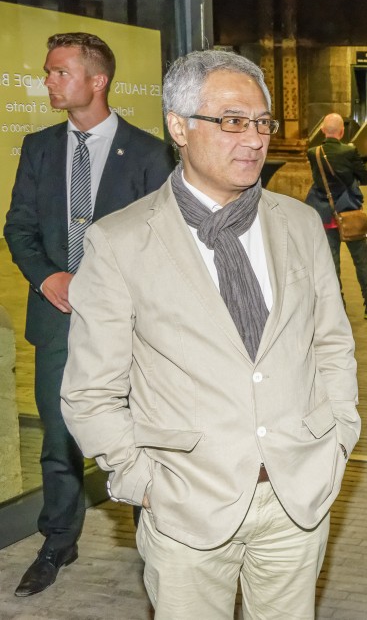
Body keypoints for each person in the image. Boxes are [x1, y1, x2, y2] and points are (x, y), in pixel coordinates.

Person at [60, 50, 361, 617]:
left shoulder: (299, 223)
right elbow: (90, 391)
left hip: (297, 498)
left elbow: (332, 343)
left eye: (261, 122)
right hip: (185, 507)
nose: (254, 139)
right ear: (178, 127)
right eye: (231, 121)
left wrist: (339, 436)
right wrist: (142, 482)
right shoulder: (120, 241)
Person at [3, 32, 173, 597]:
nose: (47, 81)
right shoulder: (39, 147)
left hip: (130, 328)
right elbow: (19, 227)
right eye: (48, 72)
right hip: (56, 318)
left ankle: (155, 541)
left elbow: (163, 243)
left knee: (139, 434)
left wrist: (111, 291)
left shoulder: (148, 154)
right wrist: (47, 276)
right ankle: (58, 540)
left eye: (59, 72)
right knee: (58, 438)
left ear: (97, 81)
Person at [305, 113, 367, 320]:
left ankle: (338, 308)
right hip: (349, 213)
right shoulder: (350, 151)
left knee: (332, 265)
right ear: (342, 131)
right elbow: (365, 178)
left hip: (325, 216)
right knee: (361, 262)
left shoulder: (313, 153)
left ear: (322, 131)